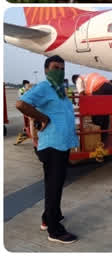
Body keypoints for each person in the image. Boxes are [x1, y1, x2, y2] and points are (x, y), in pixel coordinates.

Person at [15, 55, 79, 244]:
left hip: (62, 143)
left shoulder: (60, 90)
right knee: (54, 186)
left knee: (55, 184)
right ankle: (54, 230)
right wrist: (43, 118)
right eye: (55, 68)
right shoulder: (44, 87)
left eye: (61, 68)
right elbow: (21, 103)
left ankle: (49, 216)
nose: (58, 71)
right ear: (45, 70)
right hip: (52, 145)